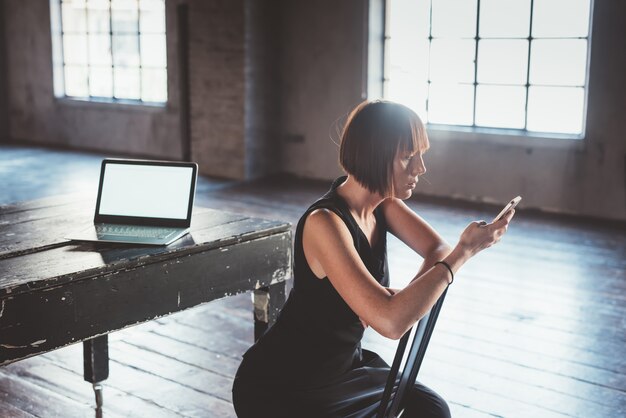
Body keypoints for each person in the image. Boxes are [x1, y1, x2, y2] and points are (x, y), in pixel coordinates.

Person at [232, 100, 514, 418]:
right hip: (285, 385)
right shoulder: (325, 222)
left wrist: (399, 301)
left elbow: (437, 250)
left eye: (421, 155)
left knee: (431, 409)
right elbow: (392, 323)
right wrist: (464, 253)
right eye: (408, 157)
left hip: (346, 367)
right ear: (374, 156)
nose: (420, 168)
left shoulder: (383, 205)